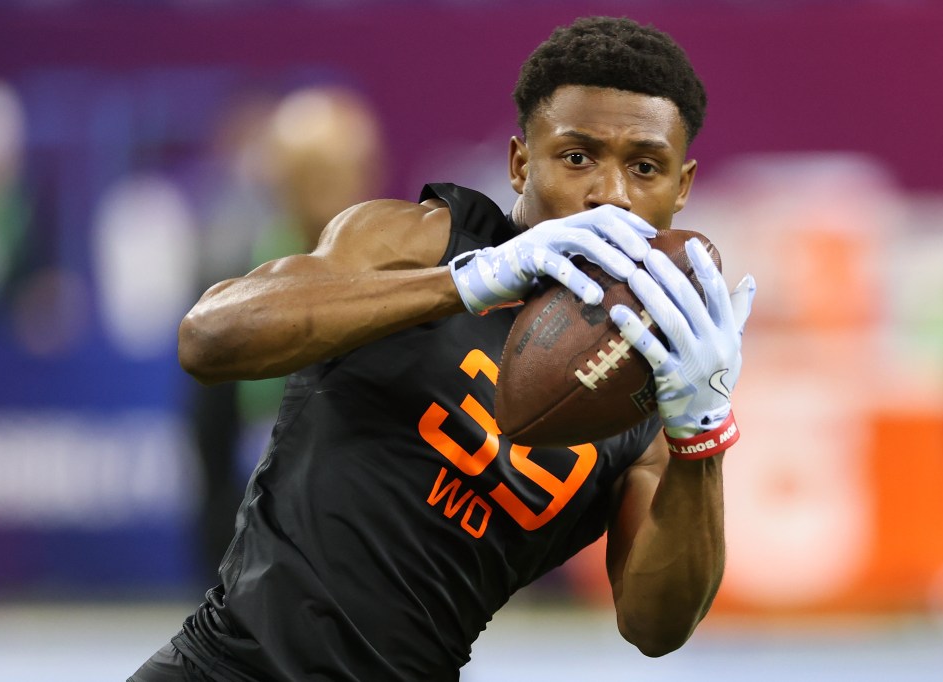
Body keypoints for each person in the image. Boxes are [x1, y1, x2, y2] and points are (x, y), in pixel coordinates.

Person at [130, 16, 756, 681]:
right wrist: (465, 283)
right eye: (577, 157)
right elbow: (207, 339)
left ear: (682, 188)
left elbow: (655, 627)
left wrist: (702, 434)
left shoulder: (650, 388)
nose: (609, 194)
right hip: (225, 666)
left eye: (645, 167)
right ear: (520, 163)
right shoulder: (424, 241)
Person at [187, 86, 386, 578]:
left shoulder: (409, 276)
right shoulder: (232, 280)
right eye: (307, 174)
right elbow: (211, 439)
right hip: (259, 550)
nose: (323, 191)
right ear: (279, 178)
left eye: (335, 172)